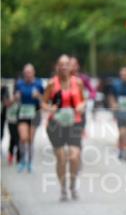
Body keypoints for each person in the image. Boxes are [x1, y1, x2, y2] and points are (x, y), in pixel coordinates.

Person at [42, 55, 87, 200]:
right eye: (61, 64)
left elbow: (83, 100)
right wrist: (50, 108)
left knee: (74, 156)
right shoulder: (51, 84)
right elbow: (43, 103)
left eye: (66, 64)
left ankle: (72, 185)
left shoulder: (77, 82)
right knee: (61, 157)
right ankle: (63, 188)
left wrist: (81, 106)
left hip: (74, 122)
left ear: (70, 67)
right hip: (56, 123)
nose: (64, 67)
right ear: (57, 66)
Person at [12, 64, 45, 173]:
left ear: (34, 72)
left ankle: (30, 163)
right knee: (23, 137)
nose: (28, 74)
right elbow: (14, 99)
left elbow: (45, 100)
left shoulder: (39, 84)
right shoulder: (19, 84)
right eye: (26, 72)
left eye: (30, 72)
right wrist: (16, 97)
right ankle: (22, 160)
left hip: (35, 113)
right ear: (23, 73)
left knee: (30, 139)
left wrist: (38, 96)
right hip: (22, 113)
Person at [108, 66, 126, 161]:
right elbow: (111, 97)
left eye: (125, 74)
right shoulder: (116, 85)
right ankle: (121, 149)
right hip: (120, 113)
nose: (124, 76)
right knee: (121, 132)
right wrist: (113, 106)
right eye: (122, 75)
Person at [1, 83, 18, 166]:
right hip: (9, 117)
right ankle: (12, 154)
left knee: (17, 137)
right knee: (13, 137)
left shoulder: (21, 93)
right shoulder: (6, 90)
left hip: (17, 118)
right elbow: (6, 103)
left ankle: (17, 156)